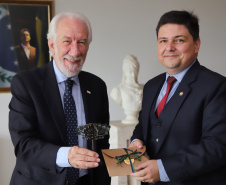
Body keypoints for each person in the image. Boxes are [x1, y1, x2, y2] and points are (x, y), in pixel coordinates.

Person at [9, 12, 110, 185]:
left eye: (81, 42)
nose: (75, 51)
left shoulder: (97, 86)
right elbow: (23, 145)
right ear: (52, 45)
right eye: (67, 41)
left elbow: (101, 142)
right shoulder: (26, 84)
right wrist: (66, 155)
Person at [129, 10, 226, 185]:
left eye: (179, 40)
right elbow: (143, 125)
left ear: (196, 45)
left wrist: (164, 169)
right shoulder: (151, 86)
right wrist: (136, 141)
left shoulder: (217, 86)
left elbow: (217, 146)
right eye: (163, 41)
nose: (169, 47)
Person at [111, 54, 143, 124]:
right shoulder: (117, 90)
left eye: (135, 71)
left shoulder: (144, 88)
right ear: (125, 71)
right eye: (130, 71)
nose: (133, 75)